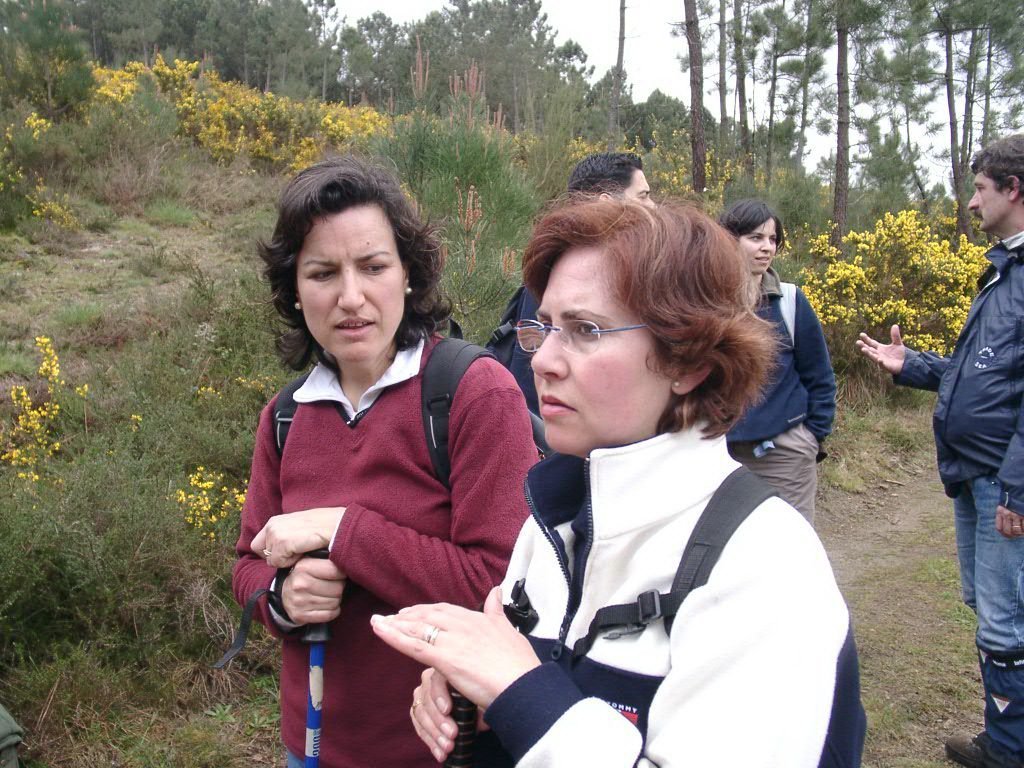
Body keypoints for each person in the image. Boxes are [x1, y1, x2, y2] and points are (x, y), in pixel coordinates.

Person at [372, 199, 866, 767]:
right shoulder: (554, 516)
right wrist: (473, 691)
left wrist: (522, 695)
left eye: (585, 330)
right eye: (544, 327)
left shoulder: (765, 564)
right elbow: (518, 685)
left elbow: (531, 696)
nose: (542, 361)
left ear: (689, 362)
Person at [231, 156, 538, 768]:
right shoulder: (286, 415)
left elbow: (503, 586)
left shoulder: (474, 393)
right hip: (312, 747)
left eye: (373, 267)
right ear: (295, 290)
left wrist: (343, 531)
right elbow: (248, 562)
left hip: (444, 752)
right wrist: (282, 597)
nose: (351, 297)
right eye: (322, 273)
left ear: (408, 275)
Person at [857, 134, 1024, 768]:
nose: (972, 202)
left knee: (1006, 618)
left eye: (980, 189)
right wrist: (916, 365)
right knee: (990, 607)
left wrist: (1017, 488)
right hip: (976, 474)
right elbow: (986, 377)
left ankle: (1007, 750)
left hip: (1003, 479)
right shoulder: (1003, 271)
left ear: (1013, 189)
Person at [491, 151, 656, 414]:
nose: (653, 206)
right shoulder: (556, 274)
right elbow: (529, 374)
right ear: (606, 203)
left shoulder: (635, 271)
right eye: (643, 196)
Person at [719, 199, 836, 522]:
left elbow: (820, 375)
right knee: (729, 543)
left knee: (790, 541)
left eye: (772, 239)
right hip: (718, 452)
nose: (767, 247)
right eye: (755, 238)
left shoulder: (790, 300)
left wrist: (811, 435)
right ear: (729, 239)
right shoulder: (707, 302)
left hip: (785, 454)